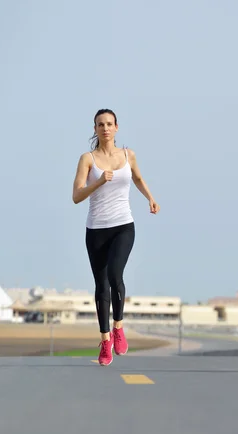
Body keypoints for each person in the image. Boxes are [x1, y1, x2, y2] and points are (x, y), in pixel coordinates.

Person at [72, 108, 160, 366]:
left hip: (123, 226)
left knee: (115, 276)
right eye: (101, 124)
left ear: (117, 127)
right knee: (101, 285)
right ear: (95, 129)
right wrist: (98, 182)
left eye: (109, 124)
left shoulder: (128, 155)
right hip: (96, 230)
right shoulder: (87, 159)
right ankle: (105, 339)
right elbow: (76, 196)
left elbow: (139, 178)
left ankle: (118, 327)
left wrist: (151, 199)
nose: (105, 128)